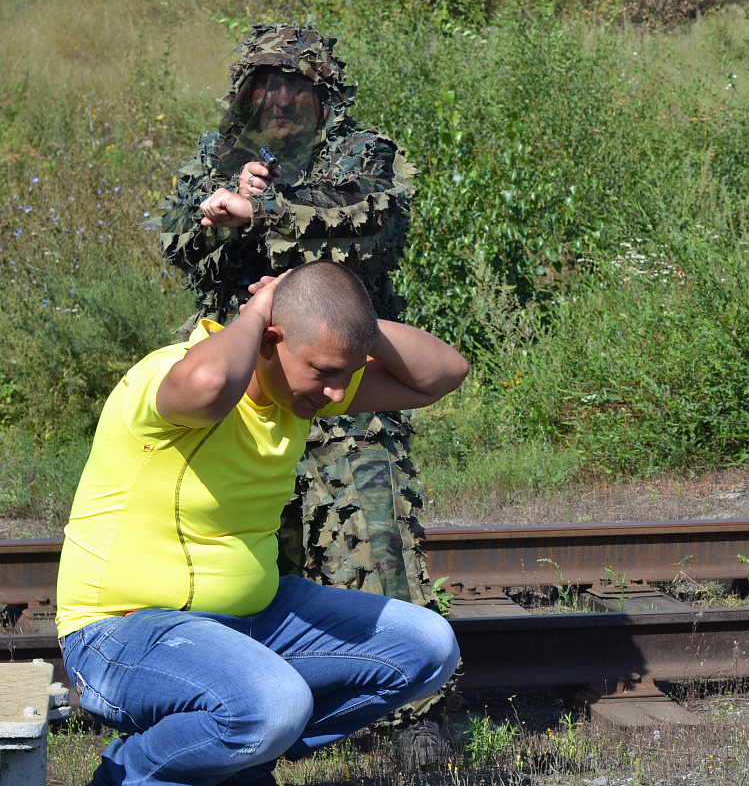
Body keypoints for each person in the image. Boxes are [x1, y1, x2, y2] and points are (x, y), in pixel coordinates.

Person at [56, 261, 469, 786]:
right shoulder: (169, 376)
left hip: (255, 621)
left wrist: (347, 321)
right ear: (270, 341)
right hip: (121, 632)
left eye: (345, 374)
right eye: (324, 370)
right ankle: (130, 774)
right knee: (274, 704)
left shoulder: (296, 393)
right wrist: (259, 308)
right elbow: (208, 384)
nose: (337, 393)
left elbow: (443, 374)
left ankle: (236, 750)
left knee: (428, 647)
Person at [158, 25, 433, 616]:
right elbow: (177, 242)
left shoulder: (361, 153)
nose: (280, 100)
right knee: (239, 566)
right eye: (266, 85)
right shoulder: (219, 156)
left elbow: (371, 220)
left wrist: (265, 210)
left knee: (373, 563)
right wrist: (217, 213)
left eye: (296, 86)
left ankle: (402, 679)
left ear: (325, 95)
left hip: (344, 394)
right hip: (247, 396)